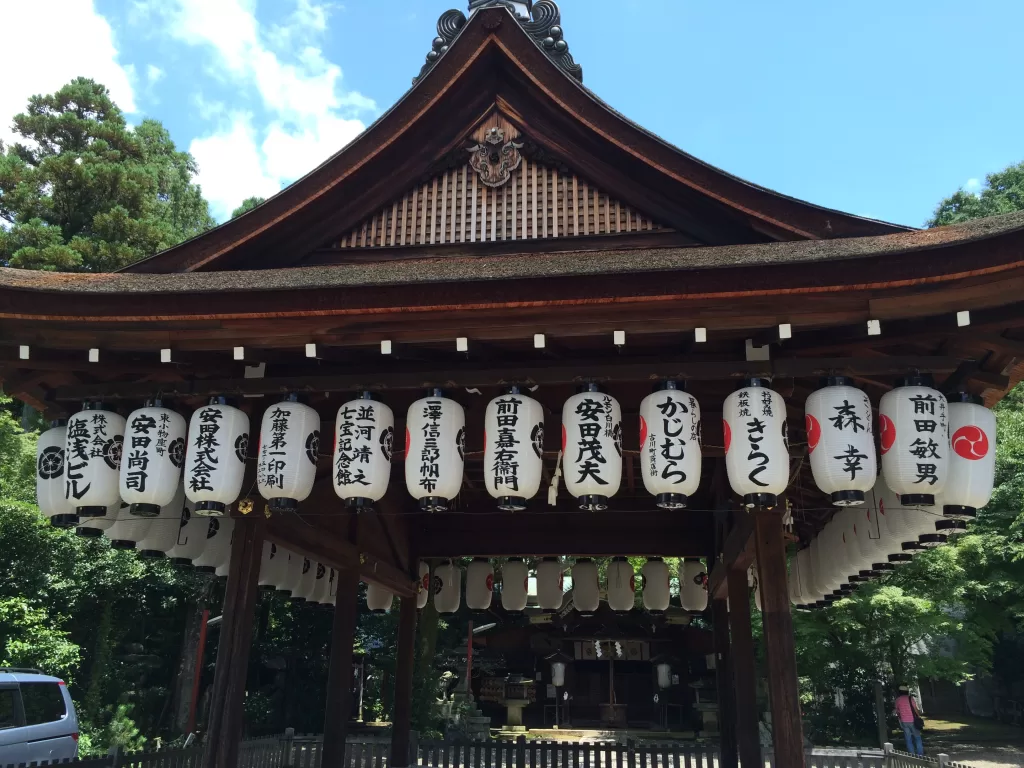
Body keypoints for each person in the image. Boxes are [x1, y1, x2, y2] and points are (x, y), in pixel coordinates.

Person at [894, 685, 924, 756]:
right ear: (907, 691)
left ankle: (912, 755)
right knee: (917, 738)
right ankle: (920, 755)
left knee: (908, 739)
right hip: (913, 721)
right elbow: (915, 709)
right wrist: (919, 716)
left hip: (904, 721)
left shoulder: (898, 700)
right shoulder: (911, 698)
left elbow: (897, 711)